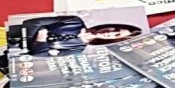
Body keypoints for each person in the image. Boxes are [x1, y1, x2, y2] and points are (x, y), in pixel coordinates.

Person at [12, 15, 143, 57]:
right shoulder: (74, 21)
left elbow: (40, 56)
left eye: (117, 35)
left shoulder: (77, 50)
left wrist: (41, 37)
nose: (110, 32)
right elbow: (32, 23)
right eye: (115, 28)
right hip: (10, 34)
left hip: (13, 52)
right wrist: (37, 42)